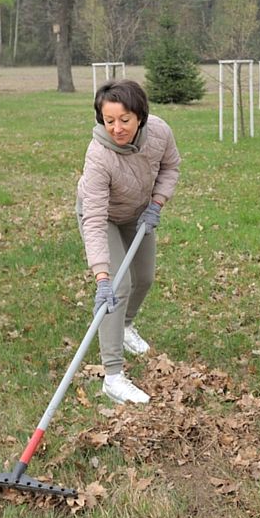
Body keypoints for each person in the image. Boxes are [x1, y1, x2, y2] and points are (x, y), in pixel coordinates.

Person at [76, 79, 181, 405]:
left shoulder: (160, 132)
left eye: (124, 120)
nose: (117, 128)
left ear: (140, 117)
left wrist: (157, 203)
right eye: (109, 121)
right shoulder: (98, 157)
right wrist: (102, 278)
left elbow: (171, 166)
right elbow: (93, 219)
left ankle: (125, 326)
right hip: (103, 216)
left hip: (139, 213)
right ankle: (113, 376)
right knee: (117, 289)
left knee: (144, 277)